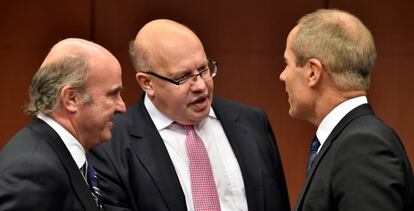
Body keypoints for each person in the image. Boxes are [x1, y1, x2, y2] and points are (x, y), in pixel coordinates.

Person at [88, 19, 290, 211]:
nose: (201, 86)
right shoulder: (109, 145)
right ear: (147, 83)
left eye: (203, 69)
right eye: (183, 78)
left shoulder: (253, 123)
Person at [279, 9, 414, 211]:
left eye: (286, 63)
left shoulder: (362, 146)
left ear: (313, 72)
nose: (282, 76)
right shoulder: (349, 139)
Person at [0, 38, 126, 210]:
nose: (122, 106)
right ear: (71, 99)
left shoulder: (62, 151)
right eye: (112, 94)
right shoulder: (33, 168)